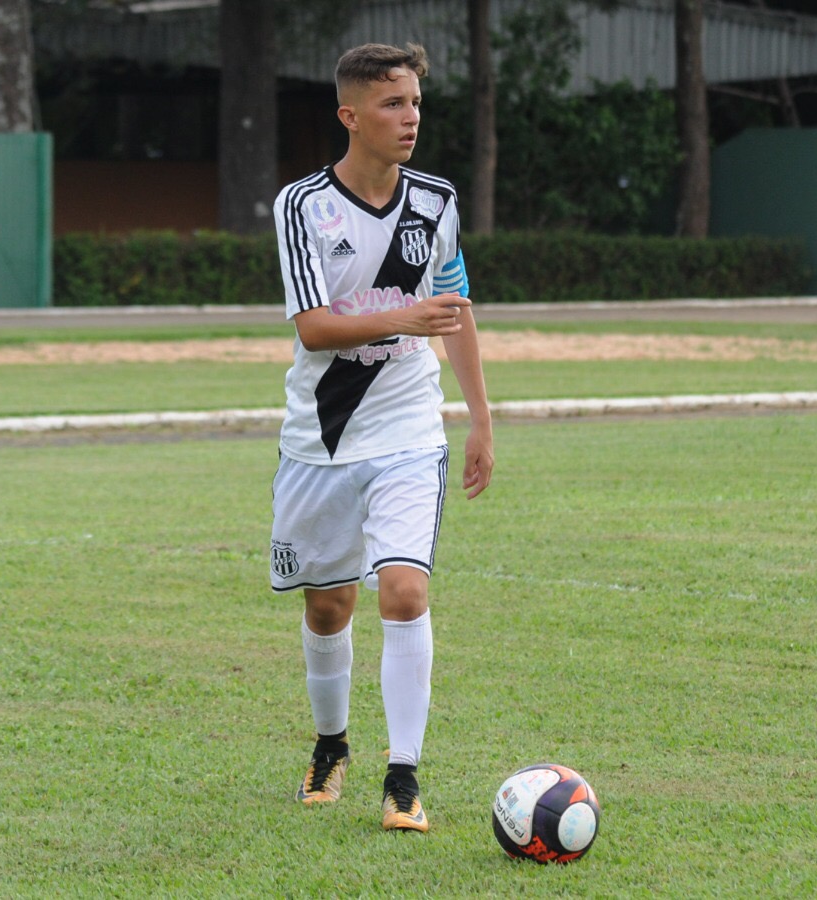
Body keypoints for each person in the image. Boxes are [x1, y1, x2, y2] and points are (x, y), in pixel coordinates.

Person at [270, 41, 493, 833]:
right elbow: (316, 328)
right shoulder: (302, 207)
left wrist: (478, 417)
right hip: (322, 441)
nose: (411, 119)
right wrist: (404, 316)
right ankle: (332, 744)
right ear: (350, 115)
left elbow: (455, 309)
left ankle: (404, 776)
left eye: (417, 104)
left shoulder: (436, 199)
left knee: (404, 590)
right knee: (329, 608)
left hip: (407, 428)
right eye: (394, 104)